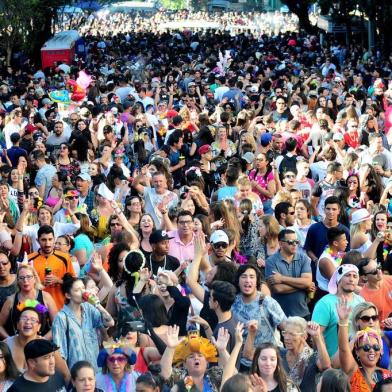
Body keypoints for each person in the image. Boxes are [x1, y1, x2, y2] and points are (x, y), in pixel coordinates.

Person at [52, 273, 114, 371]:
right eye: (77, 290)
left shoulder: (89, 309)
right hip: (76, 374)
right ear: (68, 295)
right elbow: (59, 353)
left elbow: (110, 322)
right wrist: (68, 378)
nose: (82, 292)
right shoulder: (61, 318)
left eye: (83, 288)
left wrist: (98, 305)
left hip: (95, 370)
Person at [231, 264, 286, 368]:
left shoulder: (267, 302)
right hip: (242, 364)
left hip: (268, 365)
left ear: (257, 282)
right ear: (238, 281)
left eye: (252, 277)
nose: (248, 280)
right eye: (243, 276)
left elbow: (287, 326)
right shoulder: (233, 303)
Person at [337, 297, 392, 391]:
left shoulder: (388, 375)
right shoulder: (353, 371)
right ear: (357, 352)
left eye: (376, 347)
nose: (372, 350)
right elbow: (343, 350)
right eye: (366, 347)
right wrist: (343, 322)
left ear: (381, 350)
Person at [312, 264, 364, 357]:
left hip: (356, 362)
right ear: (338, 278)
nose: (351, 279)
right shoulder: (325, 303)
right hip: (333, 364)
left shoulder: (360, 301)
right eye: (347, 275)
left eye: (355, 276)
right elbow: (316, 336)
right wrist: (326, 362)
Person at [0, 263, 57, 339]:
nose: (25, 281)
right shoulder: (11, 300)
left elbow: (57, 324)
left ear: (35, 279)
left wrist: (43, 340)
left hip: (41, 346)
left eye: (29, 277)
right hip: (18, 345)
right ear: (18, 281)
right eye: (22, 278)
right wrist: (10, 341)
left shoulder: (46, 297)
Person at [265, 229, 312, 318]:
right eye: (290, 242)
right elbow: (278, 289)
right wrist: (303, 287)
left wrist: (282, 278)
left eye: (296, 241)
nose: (294, 244)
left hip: (303, 312)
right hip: (280, 316)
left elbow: (307, 282)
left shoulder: (304, 258)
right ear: (281, 244)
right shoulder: (271, 261)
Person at [28, 225, 75, 309]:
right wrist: (39, 284)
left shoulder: (65, 258)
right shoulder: (29, 259)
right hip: (38, 308)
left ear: (54, 239)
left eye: (50, 239)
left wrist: (59, 280)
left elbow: (74, 283)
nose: (47, 244)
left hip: (60, 307)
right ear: (37, 240)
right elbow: (24, 286)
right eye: (43, 240)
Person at [316, 227, 348, 297]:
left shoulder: (340, 254)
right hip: (326, 296)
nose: (347, 242)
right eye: (344, 240)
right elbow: (338, 281)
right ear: (335, 243)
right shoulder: (325, 261)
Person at [358, 258, 392, 322]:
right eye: (374, 271)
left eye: (379, 267)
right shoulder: (363, 298)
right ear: (365, 277)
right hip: (382, 330)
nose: (379, 271)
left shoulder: (390, 280)